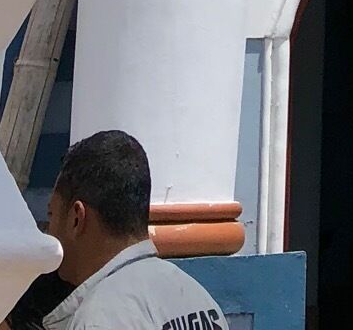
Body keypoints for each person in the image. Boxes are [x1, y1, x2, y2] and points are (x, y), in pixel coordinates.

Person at [40, 130, 227, 329]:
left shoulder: (99, 317)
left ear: (77, 218)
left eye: (51, 215)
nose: (48, 233)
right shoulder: (200, 301)